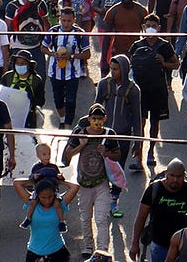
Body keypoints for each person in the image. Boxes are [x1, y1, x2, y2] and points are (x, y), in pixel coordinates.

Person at [62, 104, 125, 258]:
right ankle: (88, 246)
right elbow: (67, 156)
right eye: (94, 118)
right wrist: (81, 145)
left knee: (101, 219)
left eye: (100, 118)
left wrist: (107, 153)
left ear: (105, 119)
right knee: (85, 217)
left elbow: (118, 155)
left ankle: (102, 250)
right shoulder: (80, 133)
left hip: (102, 183)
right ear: (89, 119)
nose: (97, 122)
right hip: (83, 183)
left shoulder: (109, 134)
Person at [128, 20, 178, 169]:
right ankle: (138, 157)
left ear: (159, 28)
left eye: (154, 26)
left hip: (158, 91)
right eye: (148, 25)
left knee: (155, 123)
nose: (151, 29)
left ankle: (151, 152)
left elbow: (176, 64)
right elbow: (130, 66)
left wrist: (164, 63)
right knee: (140, 123)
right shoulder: (137, 46)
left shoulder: (164, 46)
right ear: (143, 27)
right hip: (140, 91)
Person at [130, 159, 187, 262]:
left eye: (179, 176)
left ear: (184, 176)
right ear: (166, 173)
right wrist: (135, 244)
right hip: (160, 246)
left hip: (185, 247)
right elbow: (141, 217)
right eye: (172, 175)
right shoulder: (154, 189)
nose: (175, 180)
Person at [40, 5, 90, 127]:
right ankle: (62, 118)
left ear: (74, 20)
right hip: (55, 72)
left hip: (73, 72)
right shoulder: (54, 31)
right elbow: (43, 48)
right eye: (63, 20)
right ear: (59, 19)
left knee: (71, 100)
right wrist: (53, 54)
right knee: (58, 100)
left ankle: (67, 125)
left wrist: (71, 56)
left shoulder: (80, 34)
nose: (66, 23)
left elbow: (87, 54)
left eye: (69, 21)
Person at [9, 176, 80, 262]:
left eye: (50, 197)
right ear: (37, 195)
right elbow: (17, 183)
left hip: (58, 252)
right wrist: (39, 179)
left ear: (54, 193)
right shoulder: (32, 204)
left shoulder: (59, 204)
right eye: (43, 198)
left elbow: (75, 187)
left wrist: (56, 180)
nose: (47, 201)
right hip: (34, 253)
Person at [94, 54, 143, 171]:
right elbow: (95, 109)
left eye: (115, 69)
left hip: (123, 136)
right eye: (111, 68)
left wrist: (137, 143)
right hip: (103, 133)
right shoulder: (103, 84)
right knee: (100, 168)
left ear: (124, 70)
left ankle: (116, 190)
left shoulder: (133, 90)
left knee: (118, 170)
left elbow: (137, 118)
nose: (112, 72)